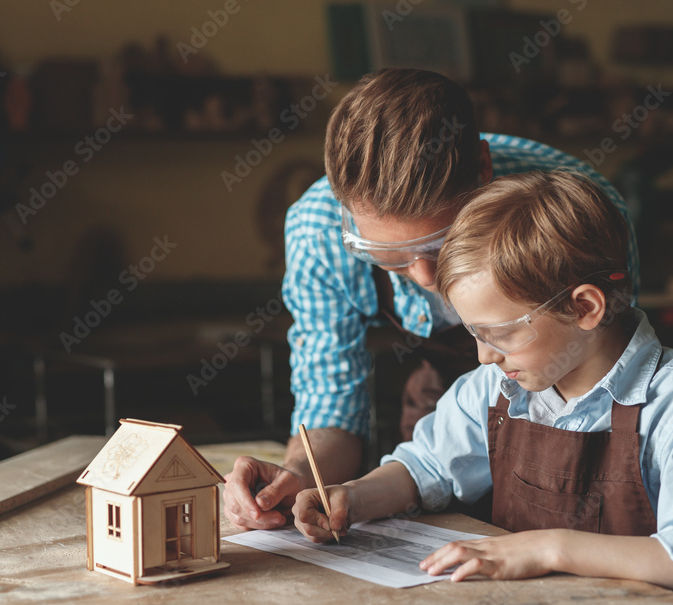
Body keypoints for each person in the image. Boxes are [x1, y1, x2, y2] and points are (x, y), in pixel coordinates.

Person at [292, 171, 673, 605]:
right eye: (473, 333)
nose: (483, 356)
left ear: (584, 307)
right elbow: (427, 468)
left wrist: (550, 547)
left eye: (499, 334)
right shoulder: (494, 389)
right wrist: (352, 498)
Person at [224, 68, 640, 532]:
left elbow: (605, 375)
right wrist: (300, 477)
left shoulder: (576, 208)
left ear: (482, 170)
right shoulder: (316, 231)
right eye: (391, 259)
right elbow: (333, 405)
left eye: (439, 244)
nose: (424, 277)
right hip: (439, 408)